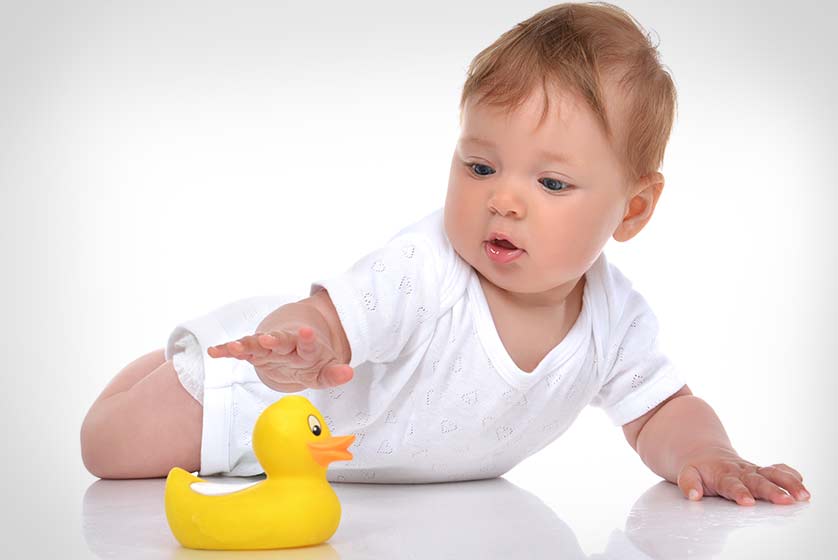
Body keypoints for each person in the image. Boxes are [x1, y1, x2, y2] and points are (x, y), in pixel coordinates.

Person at [81, 2, 810, 505]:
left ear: (634, 209)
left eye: (552, 182)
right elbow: (331, 319)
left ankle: (169, 361)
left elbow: (660, 411)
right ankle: (183, 363)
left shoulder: (615, 320)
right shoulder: (426, 269)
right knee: (107, 447)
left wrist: (708, 455)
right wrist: (303, 342)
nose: (504, 199)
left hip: (314, 457)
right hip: (261, 397)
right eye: (481, 166)